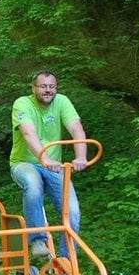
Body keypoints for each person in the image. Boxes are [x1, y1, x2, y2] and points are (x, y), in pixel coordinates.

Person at [10, 70, 88, 259]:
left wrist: (81, 156)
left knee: (73, 211)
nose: (48, 90)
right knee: (33, 184)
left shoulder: (62, 101)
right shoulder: (22, 104)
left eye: (51, 86)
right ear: (34, 88)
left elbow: (76, 128)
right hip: (24, 163)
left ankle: (67, 263)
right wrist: (44, 158)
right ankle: (37, 240)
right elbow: (28, 133)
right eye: (43, 86)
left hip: (54, 166)